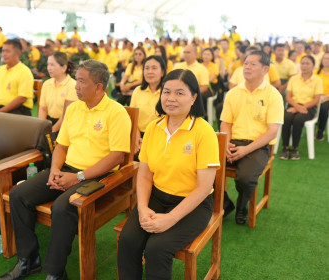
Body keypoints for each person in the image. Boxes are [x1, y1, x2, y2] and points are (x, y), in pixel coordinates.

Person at [0, 59, 131, 280]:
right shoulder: (75, 109)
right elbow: (62, 145)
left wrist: (78, 177)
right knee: (18, 195)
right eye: (76, 80)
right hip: (67, 169)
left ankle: (55, 272)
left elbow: (116, 156)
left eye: (81, 82)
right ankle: (28, 261)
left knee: (62, 207)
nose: (76, 86)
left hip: (99, 176)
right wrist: (54, 170)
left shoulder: (116, 112)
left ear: (99, 86)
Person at [118, 69, 219, 279]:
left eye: (180, 93)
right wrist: (143, 209)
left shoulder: (204, 132)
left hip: (194, 204)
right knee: (128, 240)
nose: (171, 98)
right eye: (167, 92)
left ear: (193, 98)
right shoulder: (154, 128)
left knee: (157, 248)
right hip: (157, 196)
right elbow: (145, 175)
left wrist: (170, 219)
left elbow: (203, 188)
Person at [220, 51, 284, 224]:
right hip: (233, 142)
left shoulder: (273, 95)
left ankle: (242, 206)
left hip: (258, 146)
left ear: (265, 69)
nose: (247, 67)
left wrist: (245, 150)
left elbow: (272, 132)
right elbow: (225, 124)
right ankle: (225, 203)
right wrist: (225, 144)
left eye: (252, 64)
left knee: (246, 178)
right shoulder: (233, 93)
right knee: (205, 167)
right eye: (246, 63)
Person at [279, 55, 322, 160]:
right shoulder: (294, 79)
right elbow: (288, 97)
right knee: (286, 118)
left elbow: (316, 100)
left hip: (309, 108)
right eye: (303, 63)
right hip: (293, 105)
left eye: (308, 63)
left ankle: (294, 148)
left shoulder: (317, 80)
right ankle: (285, 148)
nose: (304, 66)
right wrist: (297, 107)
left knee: (298, 120)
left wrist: (299, 108)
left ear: (313, 66)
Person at [130, 55, 166, 154]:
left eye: (154, 68)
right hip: (139, 135)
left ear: (162, 72)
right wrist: (137, 137)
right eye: (146, 68)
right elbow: (133, 117)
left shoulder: (167, 92)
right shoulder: (138, 91)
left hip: (161, 136)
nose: (150, 71)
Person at [0, 39, 34, 116]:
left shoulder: (25, 72)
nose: (4, 54)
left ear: (18, 54)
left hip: (17, 110)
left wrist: (1, 111)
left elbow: (22, 98)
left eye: (8, 51)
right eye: (3, 51)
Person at [38, 52, 78, 133]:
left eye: (52, 65)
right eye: (48, 64)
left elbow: (66, 116)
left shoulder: (73, 85)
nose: (49, 68)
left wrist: (51, 132)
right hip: (49, 122)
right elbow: (43, 109)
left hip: (66, 125)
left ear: (64, 68)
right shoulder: (46, 84)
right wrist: (42, 129)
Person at [315, 52, 329, 141]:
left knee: (323, 108)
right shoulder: (316, 72)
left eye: (328, 59)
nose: (326, 61)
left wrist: (324, 97)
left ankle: (320, 130)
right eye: (325, 58)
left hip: (327, 97)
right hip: (316, 96)